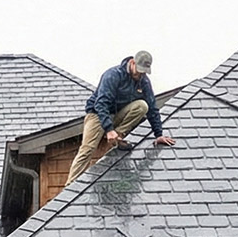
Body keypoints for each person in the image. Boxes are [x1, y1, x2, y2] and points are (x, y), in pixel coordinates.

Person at [69, 50, 177, 180]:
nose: (140, 74)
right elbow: (101, 104)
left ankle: (118, 136)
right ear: (132, 63)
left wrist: (158, 134)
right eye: (139, 70)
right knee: (88, 149)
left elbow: (152, 108)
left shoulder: (144, 81)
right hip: (98, 114)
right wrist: (108, 129)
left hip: (117, 114)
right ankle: (70, 184)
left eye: (144, 72)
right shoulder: (113, 75)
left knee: (142, 106)